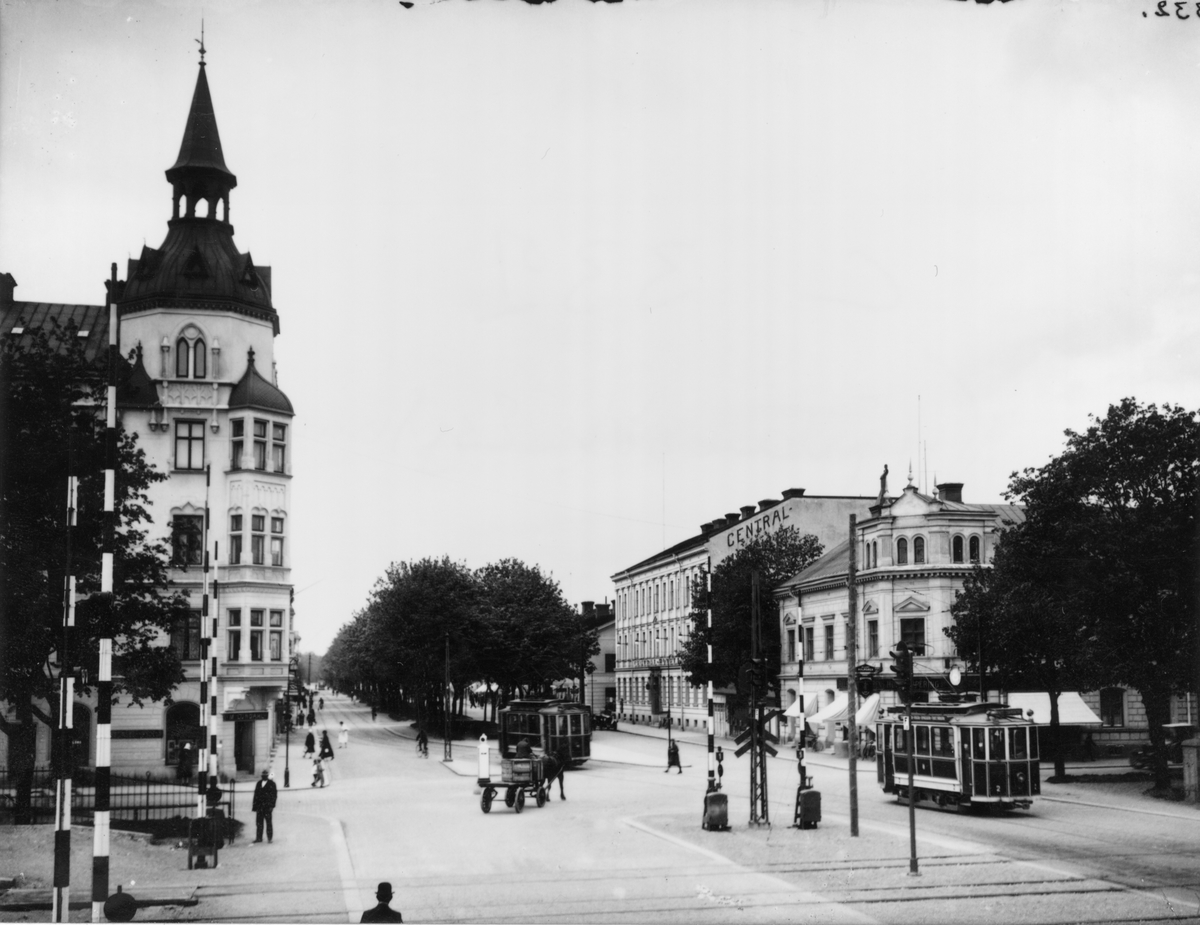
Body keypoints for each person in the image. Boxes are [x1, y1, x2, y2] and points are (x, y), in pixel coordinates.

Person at [252, 769, 277, 843]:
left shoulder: (272, 784)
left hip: (267, 807)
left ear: (267, 776)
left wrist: (272, 806)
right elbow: (255, 795)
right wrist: (254, 807)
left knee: (268, 823)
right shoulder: (258, 783)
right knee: (259, 823)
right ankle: (259, 838)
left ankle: (269, 838)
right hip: (259, 807)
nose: (264, 777)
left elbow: (274, 796)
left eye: (265, 775)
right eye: (263, 775)